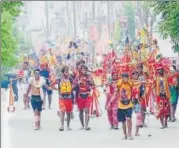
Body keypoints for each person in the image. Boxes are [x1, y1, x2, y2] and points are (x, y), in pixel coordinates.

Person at [52, 66, 74, 131]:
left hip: (69, 98)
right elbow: (51, 84)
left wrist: (72, 89)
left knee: (68, 113)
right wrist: (56, 89)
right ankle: (62, 126)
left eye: (68, 71)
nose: (67, 72)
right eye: (66, 71)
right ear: (63, 72)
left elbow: (75, 84)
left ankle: (68, 126)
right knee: (62, 111)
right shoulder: (59, 79)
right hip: (62, 98)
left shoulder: (70, 79)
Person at [76, 65, 95, 130]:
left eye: (85, 70)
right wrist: (77, 83)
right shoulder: (78, 77)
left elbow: (93, 85)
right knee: (81, 111)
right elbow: (73, 85)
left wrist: (91, 84)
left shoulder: (89, 77)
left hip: (87, 96)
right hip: (80, 96)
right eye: (83, 70)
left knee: (87, 111)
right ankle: (82, 125)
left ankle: (86, 125)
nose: (84, 71)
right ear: (81, 70)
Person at [155, 63, 170, 129]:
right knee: (160, 110)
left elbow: (171, 82)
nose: (159, 71)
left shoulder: (166, 77)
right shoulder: (155, 78)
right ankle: (162, 124)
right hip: (159, 96)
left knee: (166, 110)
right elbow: (153, 85)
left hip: (166, 95)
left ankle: (166, 122)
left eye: (160, 70)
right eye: (158, 70)